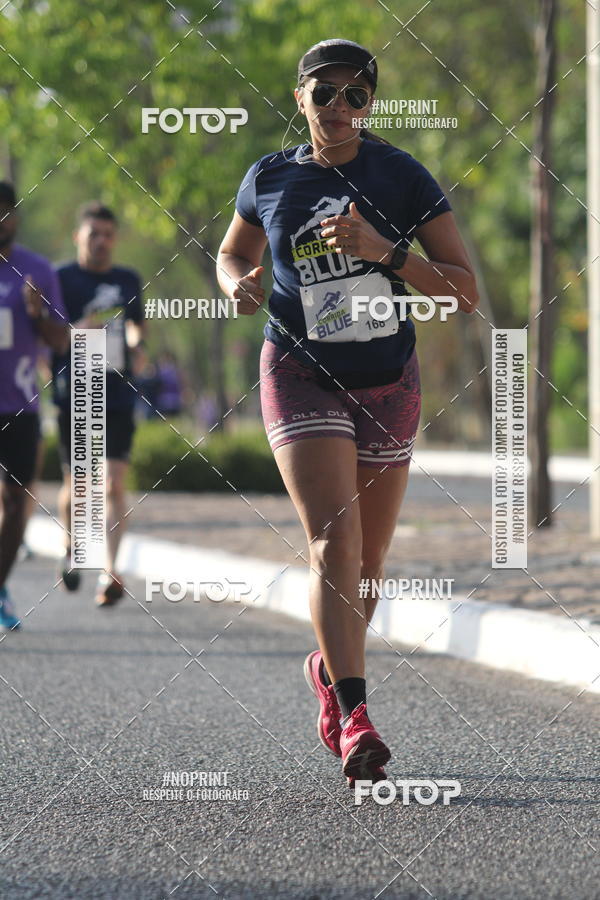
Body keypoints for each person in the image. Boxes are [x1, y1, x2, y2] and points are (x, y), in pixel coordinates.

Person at [217, 39, 480, 786]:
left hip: (387, 381)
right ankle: (357, 716)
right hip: (300, 371)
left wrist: (386, 251)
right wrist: (236, 279)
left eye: (354, 95)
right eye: (322, 93)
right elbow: (230, 251)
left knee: (368, 565)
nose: (338, 108)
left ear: (371, 104)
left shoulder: (400, 176)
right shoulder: (269, 177)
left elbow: (462, 291)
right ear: (298, 97)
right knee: (335, 540)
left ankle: (328, 671)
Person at [51, 202, 145, 607]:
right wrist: (77, 331)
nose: (102, 242)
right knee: (79, 486)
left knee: (112, 483)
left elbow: (139, 324)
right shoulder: (59, 279)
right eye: (94, 235)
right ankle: (72, 547)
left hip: (118, 389)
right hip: (76, 390)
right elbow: (48, 333)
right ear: (79, 237)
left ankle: (110, 570)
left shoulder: (128, 280)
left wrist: (139, 346)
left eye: (108, 235)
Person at [0, 181, 69, 630]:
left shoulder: (36, 270)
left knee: (17, 502)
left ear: (16, 216)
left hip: (18, 405)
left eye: (4, 211)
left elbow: (62, 340)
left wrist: (39, 313)